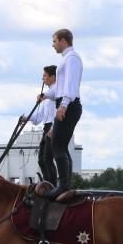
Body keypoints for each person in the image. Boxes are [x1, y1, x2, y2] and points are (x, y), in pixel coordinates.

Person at [37, 28, 82, 196]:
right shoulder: (67, 59)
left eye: (54, 41)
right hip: (67, 104)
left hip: (68, 105)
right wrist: (46, 95)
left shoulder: (72, 59)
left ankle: (63, 185)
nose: (53, 45)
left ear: (64, 41)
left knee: (57, 144)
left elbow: (69, 86)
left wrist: (63, 105)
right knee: (60, 145)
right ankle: (65, 184)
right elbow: (61, 87)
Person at [21, 65, 57, 184]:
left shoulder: (56, 91)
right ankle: (47, 182)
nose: (43, 79)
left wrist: (44, 96)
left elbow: (54, 98)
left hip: (53, 126)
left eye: (45, 76)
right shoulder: (47, 95)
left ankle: (52, 185)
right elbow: (38, 118)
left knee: (47, 159)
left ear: (53, 77)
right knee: (41, 160)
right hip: (46, 127)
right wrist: (26, 118)